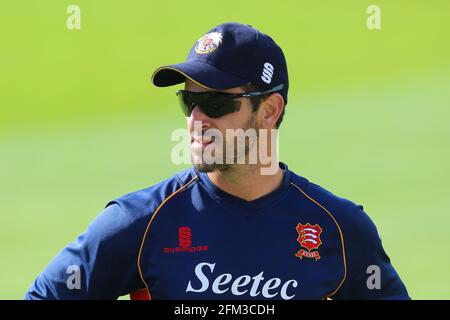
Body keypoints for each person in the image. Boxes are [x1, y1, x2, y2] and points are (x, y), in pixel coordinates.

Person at [25, 22, 409, 300]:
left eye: (215, 103)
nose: (196, 120)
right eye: (188, 102)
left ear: (270, 110)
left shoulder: (339, 229)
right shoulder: (139, 223)